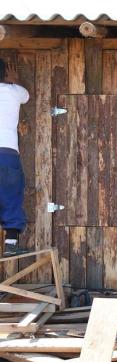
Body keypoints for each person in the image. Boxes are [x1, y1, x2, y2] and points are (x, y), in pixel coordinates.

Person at [0, 59, 30, 257]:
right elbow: (27, 96)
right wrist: (16, 80)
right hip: (7, 152)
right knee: (11, 194)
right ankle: (11, 243)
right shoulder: (14, 91)